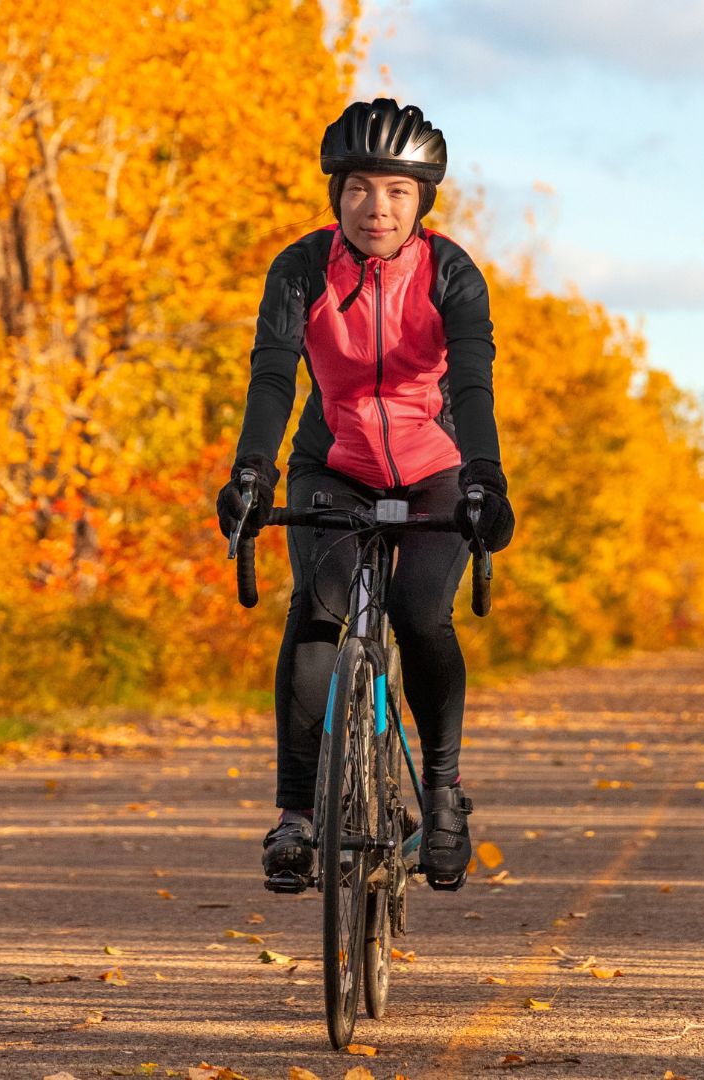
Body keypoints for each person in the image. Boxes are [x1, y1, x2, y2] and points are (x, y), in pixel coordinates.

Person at [215, 98, 514, 892]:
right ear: (335, 195)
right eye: (357, 189)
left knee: (420, 616)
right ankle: (296, 817)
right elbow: (274, 375)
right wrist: (253, 470)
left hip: (434, 465)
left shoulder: (452, 274)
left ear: (421, 201)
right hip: (334, 461)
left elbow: (475, 384)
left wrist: (485, 476)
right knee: (317, 611)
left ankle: (444, 796)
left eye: (394, 191)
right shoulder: (301, 268)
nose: (375, 207)